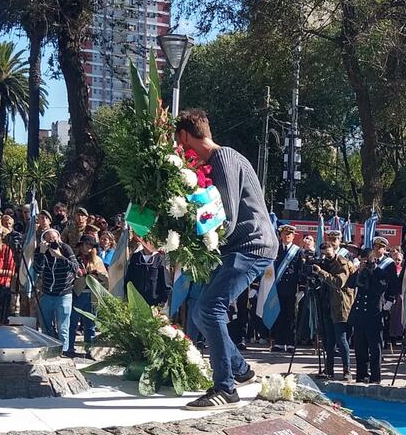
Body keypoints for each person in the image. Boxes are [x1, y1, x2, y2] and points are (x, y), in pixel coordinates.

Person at [176, 110, 277, 408]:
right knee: (199, 313)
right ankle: (241, 370)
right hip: (242, 246)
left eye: (178, 143)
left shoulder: (224, 159)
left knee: (210, 308)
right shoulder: (222, 159)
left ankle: (225, 388)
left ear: (184, 136)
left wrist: (196, 237)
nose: (181, 151)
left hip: (250, 245)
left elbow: (227, 217)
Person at [348, 237, 399, 383]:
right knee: (359, 348)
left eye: (366, 260)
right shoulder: (360, 271)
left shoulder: (381, 273)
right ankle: (361, 375)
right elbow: (350, 284)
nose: (364, 262)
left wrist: (371, 271)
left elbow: (378, 290)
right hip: (359, 315)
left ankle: (375, 377)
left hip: (374, 315)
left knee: (375, 349)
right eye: (362, 260)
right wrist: (359, 271)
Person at [312, 241, 356, 380]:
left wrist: (321, 272)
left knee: (341, 339)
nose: (326, 255)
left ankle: (346, 370)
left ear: (334, 249)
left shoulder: (342, 263)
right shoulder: (325, 263)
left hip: (340, 305)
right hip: (327, 304)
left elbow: (338, 282)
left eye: (328, 252)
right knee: (328, 340)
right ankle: (329, 370)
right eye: (323, 253)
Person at [34, 228, 80, 355]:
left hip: (64, 294)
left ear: (59, 238)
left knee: (63, 327)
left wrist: (59, 256)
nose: (53, 241)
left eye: (54, 238)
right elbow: (37, 270)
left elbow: (75, 268)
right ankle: (48, 351)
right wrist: (42, 253)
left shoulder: (65, 249)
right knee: (46, 325)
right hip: (47, 293)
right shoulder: (40, 250)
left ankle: (63, 352)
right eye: (49, 239)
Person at [66, 235, 108, 358]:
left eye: (89, 246)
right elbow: (71, 276)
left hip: (92, 294)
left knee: (90, 324)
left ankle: (90, 350)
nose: (86, 248)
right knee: (73, 322)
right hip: (77, 294)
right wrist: (83, 274)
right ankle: (69, 347)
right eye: (84, 245)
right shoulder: (75, 260)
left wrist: (95, 274)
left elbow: (105, 278)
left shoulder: (98, 261)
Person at [269, 225, 303, 352]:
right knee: (278, 314)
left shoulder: (297, 251)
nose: (286, 236)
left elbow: (300, 270)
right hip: (276, 288)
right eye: (284, 234)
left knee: (290, 316)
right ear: (280, 235)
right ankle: (278, 342)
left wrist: (302, 288)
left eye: (289, 234)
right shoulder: (276, 250)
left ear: (293, 236)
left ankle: (289, 343)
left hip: (290, 289)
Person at [124, 237, 171, 308]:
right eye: (146, 241)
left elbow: (166, 283)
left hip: (154, 303)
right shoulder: (136, 257)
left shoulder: (159, 259)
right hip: (136, 302)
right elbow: (128, 280)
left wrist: (162, 302)